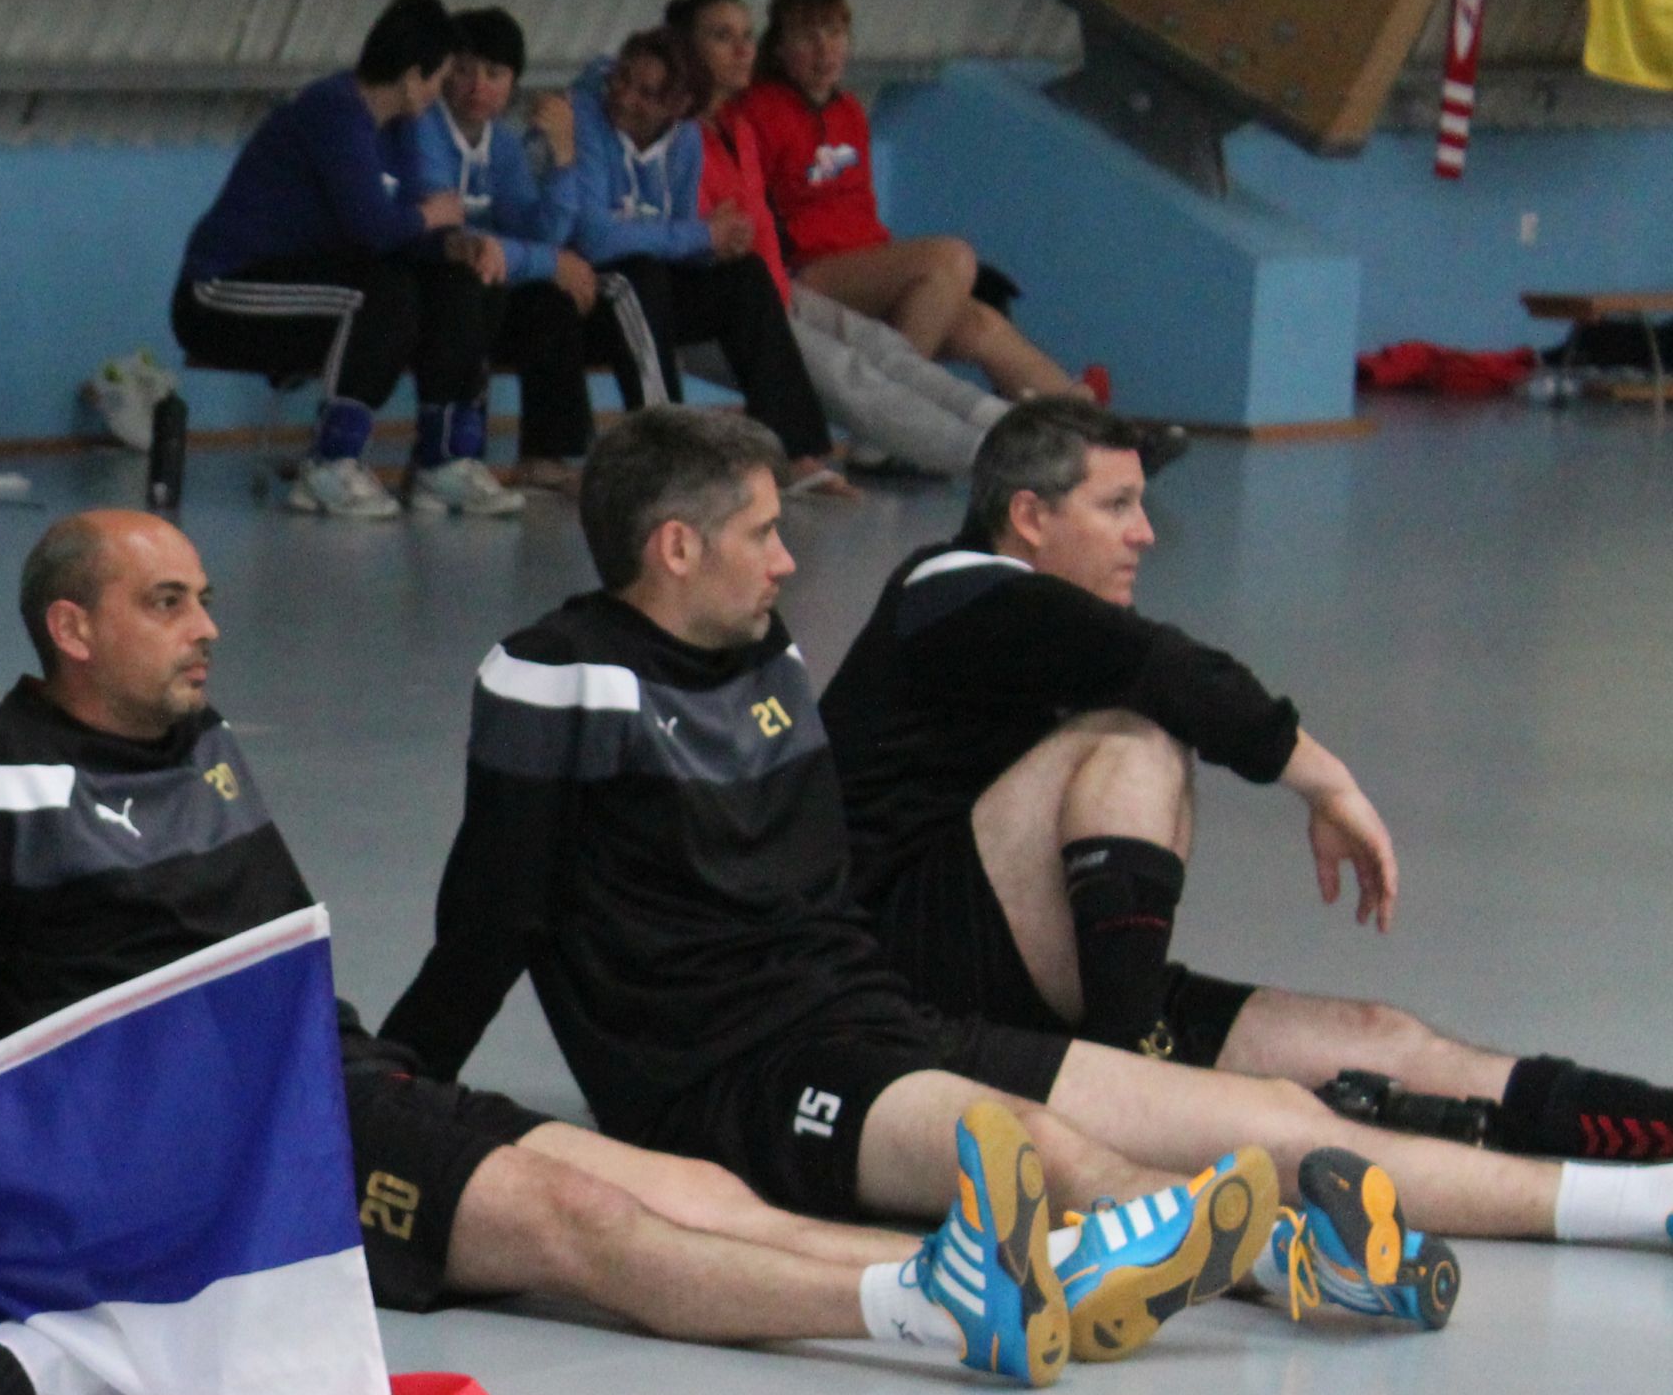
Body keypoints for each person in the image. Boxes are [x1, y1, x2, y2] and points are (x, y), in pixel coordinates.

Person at [0, 509, 1168, 1395]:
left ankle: (1004, 1268)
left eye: (203, 598)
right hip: (214, 1157)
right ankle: (919, 1306)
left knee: (679, 1186)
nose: (206, 627)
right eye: (167, 602)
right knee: (575, 1225)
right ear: (73, 631)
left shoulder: (197, 740)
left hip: (331, 1084)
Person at [382, 409, 1673, 1329]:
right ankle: (1292, 1262)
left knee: (1285, 1118)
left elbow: (814, 900)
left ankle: (1640, 1202)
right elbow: (492, 918)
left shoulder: (765, 662)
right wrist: (392, 1085)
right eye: (763, 534)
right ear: (675, 547)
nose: (787, 559)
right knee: (1047, 1149)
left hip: (873, 1011)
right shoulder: (558, 673)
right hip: (734, 1080)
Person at [823, 397, 1673, 1184]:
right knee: (1137, 739)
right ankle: (1132, 1078)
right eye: (1116, 506)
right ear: (1030, 517)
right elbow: (1171, 670)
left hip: (1035, 974)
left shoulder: (1041, 627)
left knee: (1382, 1040)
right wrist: (1328, 784)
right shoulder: (948, 591)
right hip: (903, 972)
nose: (1145, 533)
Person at [170, 0, 525, 521]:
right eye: (440, 77)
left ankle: (445, 461)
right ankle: (330, 464)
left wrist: (453, 244)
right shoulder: (334, 112)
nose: (440, 92)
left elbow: (401, 230)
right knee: (379, 294)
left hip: (311, 281)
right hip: (223, 293)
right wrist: (432, 217)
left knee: (462, 280)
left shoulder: (398, 128)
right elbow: (374, 227)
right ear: (413, 77)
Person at [724, 0, 1085, 401]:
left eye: (835, 33)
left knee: (982, 325)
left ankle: (1085, 415)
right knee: (951, 258)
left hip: (864, 265)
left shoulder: (848, 111)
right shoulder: (757, 111)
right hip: (806, 272)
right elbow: (748, 209)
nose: (825, 50)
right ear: (780, 50)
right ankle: (889, 402)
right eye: (807, 37)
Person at [545, 29, 840, 485]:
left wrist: (717, 245)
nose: (623, 97)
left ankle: (794, 450)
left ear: (679, 105)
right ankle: (667, 451)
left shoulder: (685, 140)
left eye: (646, 93)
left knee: (744, 277)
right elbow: (594, 238)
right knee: (638, 276)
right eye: (621, 79)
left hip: (652, 291)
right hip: (581, 294)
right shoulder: (584, 118)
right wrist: (700, 235)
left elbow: (680, 239)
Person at [406, 5, 600, 484]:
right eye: (464, 70)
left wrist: (564, 159)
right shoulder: (422, 129)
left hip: (483, 279)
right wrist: (548, 261)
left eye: (494, 74)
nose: (478, 87)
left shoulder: (505, 145)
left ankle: (544, 456)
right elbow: (449, 236)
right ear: (442, 73)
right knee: (473, 283)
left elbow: (540, 234)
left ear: (513, 82)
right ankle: (445, 454)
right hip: (422, 280)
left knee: (548, 301)